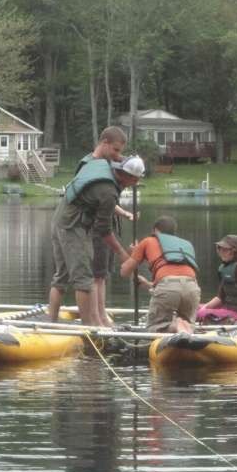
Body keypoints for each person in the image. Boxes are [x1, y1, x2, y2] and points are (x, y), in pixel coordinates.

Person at [48, 148, 145, 327]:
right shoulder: (108, 190)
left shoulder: (98, 166)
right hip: (73, 227)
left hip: (60, 220)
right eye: (134, 180)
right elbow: (104, 230)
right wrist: (123, 255)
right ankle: (90, 330)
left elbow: (98, 155)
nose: (135, 183)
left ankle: (50, 323)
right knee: (85, 279)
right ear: (127, 176)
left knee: (62, 276)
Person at [74, 127, 135, 327]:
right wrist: (121, 252)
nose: (118, 156)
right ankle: (96, 319)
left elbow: (107, 201)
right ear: (105, 142)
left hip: (108, 226)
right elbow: (99, 199)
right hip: (94, 229)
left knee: (103, 276)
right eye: (116, 150)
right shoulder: (90, 165)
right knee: (95, 275)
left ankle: (102, 314)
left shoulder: (107, 163)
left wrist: (124, 213)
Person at [120, 215, 200, 334]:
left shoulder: (148, 241)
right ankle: (183, 326)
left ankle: (175, 326)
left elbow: (124, 272)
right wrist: (147, 284)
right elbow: (178, 278)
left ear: (155, 230)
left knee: (155, 328)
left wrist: (135, 253)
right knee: (188, 325)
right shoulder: (186, 244)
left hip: (168, 286)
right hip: (192, 287)